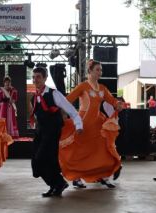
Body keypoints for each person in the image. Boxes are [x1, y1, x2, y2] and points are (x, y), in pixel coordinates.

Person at [59, 59, 123, 189]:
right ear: (90, 71)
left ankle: (104, 176)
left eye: (101, 70)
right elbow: (67, 100)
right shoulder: (83, 86)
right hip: (83, 124)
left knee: (103, 150)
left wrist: (118, 105)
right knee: (79, 152)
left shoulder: (103, 88)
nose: (100, 72)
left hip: (98, 124)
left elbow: (112, 100)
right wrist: (64, 114)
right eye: (97, 70)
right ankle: (77, 178)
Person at [30, 67, 83, 197]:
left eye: (38, 77)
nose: (35, 79)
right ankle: (56, 185)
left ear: (45, 78)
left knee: (42, 158)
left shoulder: (54, 94)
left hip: (52, 131)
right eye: (34, 77)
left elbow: (71, 110)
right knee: (37, 162)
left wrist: (78, 125)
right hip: (41, 132)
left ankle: (57, 183)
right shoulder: (35, 96)